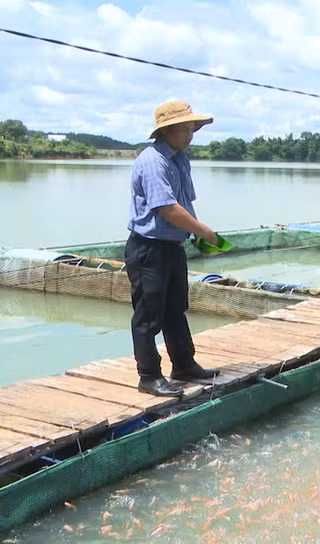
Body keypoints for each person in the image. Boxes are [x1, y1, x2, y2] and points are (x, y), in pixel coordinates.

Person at [125, 100, 221, 397]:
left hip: (172, 247)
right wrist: (205, 231)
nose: (191, 134)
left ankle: (184, 365)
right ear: (167, 131)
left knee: (175, 310)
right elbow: (166, 208)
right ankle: (149, 376)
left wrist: (193, 236)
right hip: (149, 249)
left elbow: (184, 204)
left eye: (193, 128)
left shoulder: (180, 158)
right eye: (185, 128)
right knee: (148, 315)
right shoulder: (153, 161)